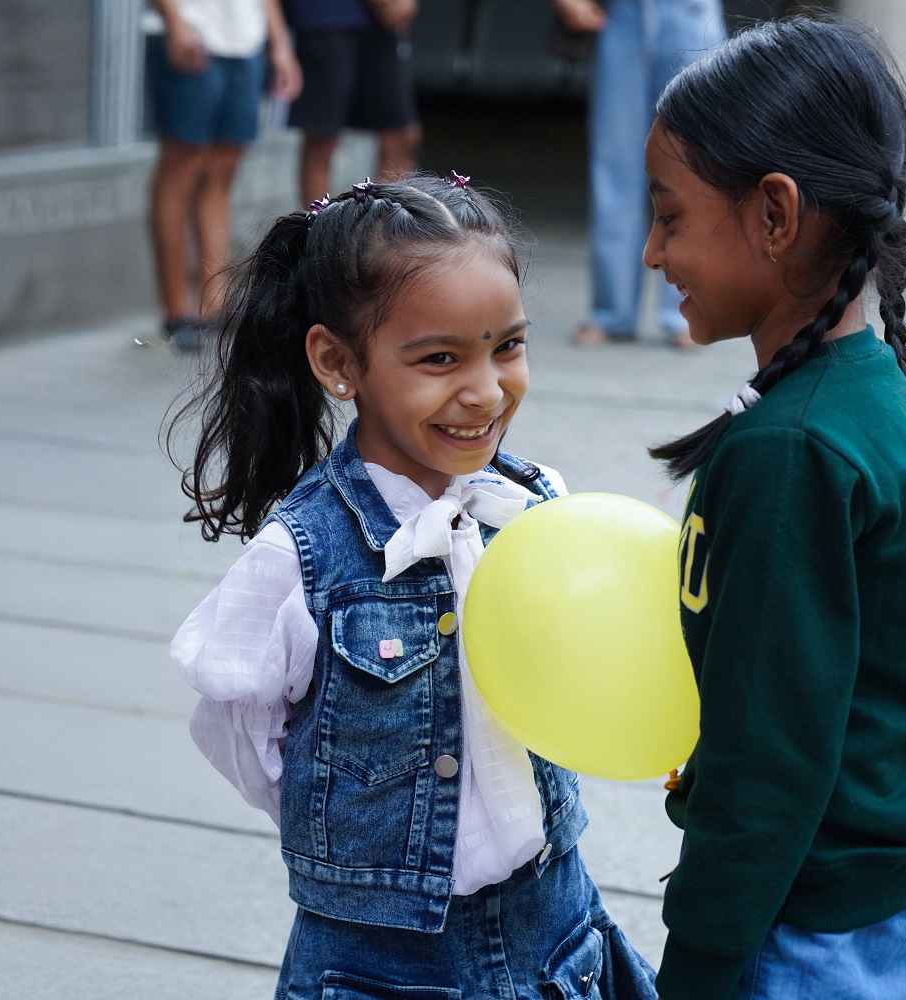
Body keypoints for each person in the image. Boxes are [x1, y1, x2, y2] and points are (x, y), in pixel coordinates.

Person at [167, 174, 658, 999]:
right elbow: (239, 728)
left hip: (554, 923)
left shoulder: (537, 506)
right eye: (440, 359)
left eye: (508, 346)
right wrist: (351, 836)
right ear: (337, 361)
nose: (485, 389)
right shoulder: (302, 554)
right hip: (380, 961)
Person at [638, 18, 906, 1000]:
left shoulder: (791, 450)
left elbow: (767, 756)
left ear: (774, 213)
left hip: (797, 922)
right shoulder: (872, 389)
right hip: (879, 897)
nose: (649, 251)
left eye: (670, 217)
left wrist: (703, 957)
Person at [554, 0, 725, 349]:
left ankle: (688, 309)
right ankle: (610, 312)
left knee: (694, 166)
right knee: (614, 164)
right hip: (624, 13)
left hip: (692, 12)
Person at [145, 0, 303, 351]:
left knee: (222, 174)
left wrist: (280, 45)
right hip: (191, 30)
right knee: (180, 170)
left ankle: (212, 304)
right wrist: (174, 21)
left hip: (246, 44)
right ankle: (176, 310)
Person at [283, 0, 423, 208]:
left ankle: (388, 230)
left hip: (379, 25)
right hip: (325, 18)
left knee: (402, 135)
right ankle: (319, 233)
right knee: (323, 137)